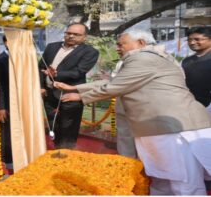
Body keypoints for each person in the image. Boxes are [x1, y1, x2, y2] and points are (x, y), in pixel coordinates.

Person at [54, 29, 211, 195]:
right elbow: (116, 81)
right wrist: (76, 88)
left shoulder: (143, 58)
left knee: (183, 180)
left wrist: (78, 96)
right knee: (162, 178)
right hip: (158, 126)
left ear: (141, 43)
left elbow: (116, 86)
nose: (117, 48)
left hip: (174, 127)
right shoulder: (149, 57)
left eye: (122, 44)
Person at [39, 23, 99, 149]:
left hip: (71, 96)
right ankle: (57, 151)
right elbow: (41, 67)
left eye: (76, 34)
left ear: (84, 37)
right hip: (49, 94)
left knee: (68, 129)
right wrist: (42, 86)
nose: (71, 36)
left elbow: (79, 72)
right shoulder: (51, 47)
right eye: (68, 33)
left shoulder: (90, 52)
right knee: (53, 126)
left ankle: (67, 156)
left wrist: (56, 74)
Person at [182, 27, 211, 113]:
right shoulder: (187, 61)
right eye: (189, 40)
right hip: (192, 106)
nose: (192, 42)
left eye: (197, 39)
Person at [0, 35, 13, 172]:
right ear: (6, 42)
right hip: (6, 103)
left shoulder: (25, 60)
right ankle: (8, 161)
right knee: (7, 133)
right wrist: (1, 106)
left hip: (21, 104)